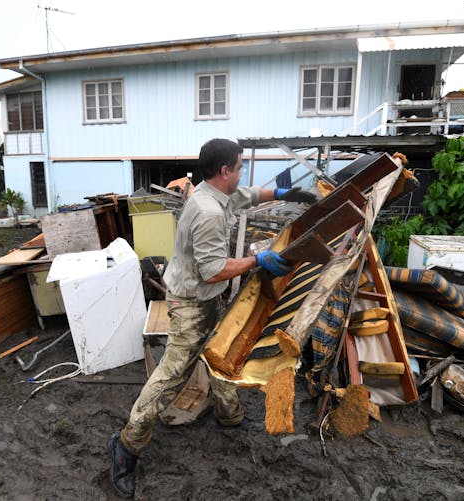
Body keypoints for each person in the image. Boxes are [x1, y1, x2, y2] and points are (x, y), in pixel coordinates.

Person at [108, 138, 317, 498]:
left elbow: (250, 195)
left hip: (205, 297)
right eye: (239, 165)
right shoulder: (207, 211)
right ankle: (127, 446)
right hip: (190, 301)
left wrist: (288, 193)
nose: (242, 171)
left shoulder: (216, 192)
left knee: (222, 349)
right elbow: (214, 270)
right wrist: (258, 260)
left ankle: (229, 415)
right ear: (225, 171)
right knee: (173, 375)